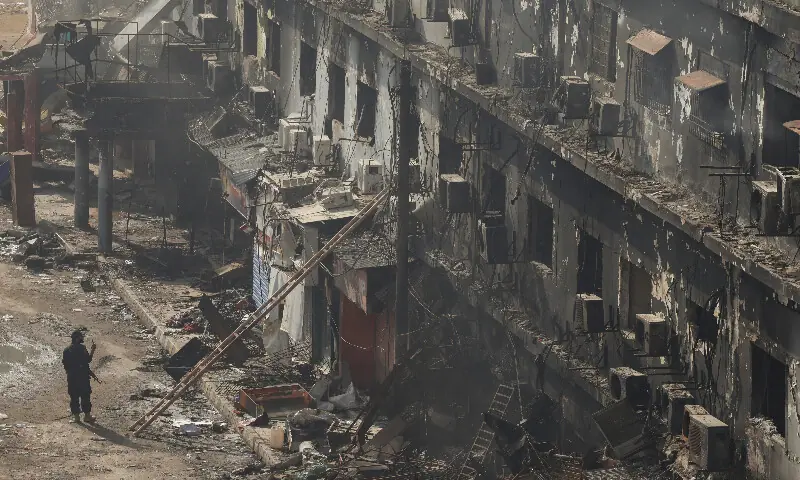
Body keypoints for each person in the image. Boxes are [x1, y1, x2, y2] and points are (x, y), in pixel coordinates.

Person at [62, 329, 96, 423]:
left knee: (74, 397)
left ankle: (76, 417)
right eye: (81, 337)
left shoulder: (66, 350)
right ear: (77, 338)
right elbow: (88, 360)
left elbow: (65, 365)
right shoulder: (82, 348)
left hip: (72, 377)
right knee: (85, 396)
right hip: (82, 377)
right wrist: (93, 350)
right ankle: (87, 416)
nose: (82, 338)